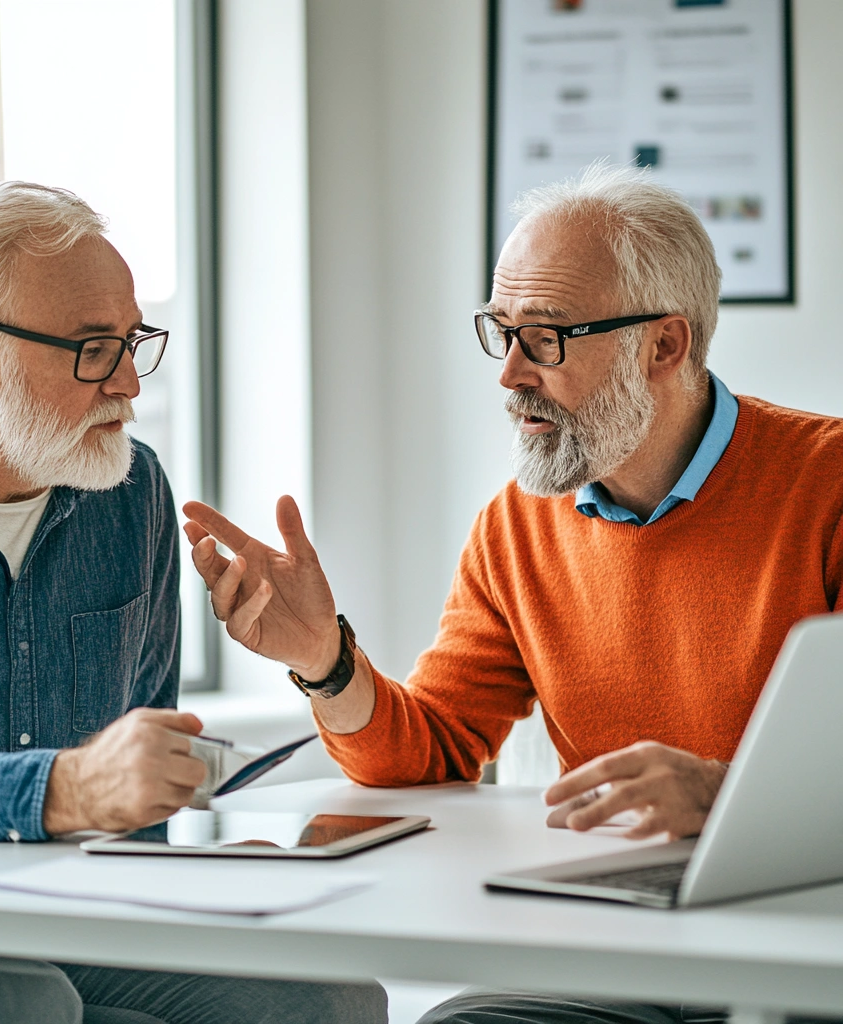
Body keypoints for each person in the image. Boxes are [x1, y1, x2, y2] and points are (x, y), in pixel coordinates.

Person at [182, 163, 843, 1024]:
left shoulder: (827, 486)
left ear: (664, 346)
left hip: (810, 929)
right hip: (615, 941)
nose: (510, 373)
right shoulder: (517, 526)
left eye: (547, 338)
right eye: (502, 332)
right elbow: (433, 750)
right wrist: (326, 660)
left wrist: (722, 796)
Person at [0, 181, 387, 1024]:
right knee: (16, 1001)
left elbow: (140, 786)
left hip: (80, 914)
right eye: (92, 349)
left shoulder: (130, 490)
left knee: (331, 998)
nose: (127, 383)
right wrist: (66, 788)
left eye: (132, 343)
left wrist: (198, 878)